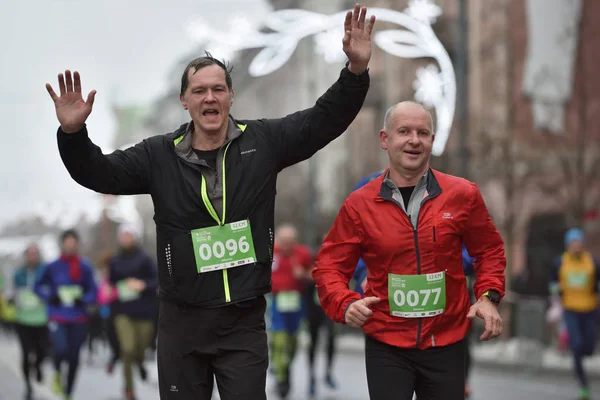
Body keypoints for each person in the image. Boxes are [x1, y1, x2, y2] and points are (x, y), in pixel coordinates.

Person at [45, 4, 375, 399]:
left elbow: (322, 121)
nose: (210, 98)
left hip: (243, 321)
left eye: (218, 89)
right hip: (181, 323)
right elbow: (97, 172)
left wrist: (354, 73)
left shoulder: (262, 142)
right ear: (185, 101)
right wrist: (73, 135)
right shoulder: (158, 155)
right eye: (199, 91)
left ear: (231, 96)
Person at [312, 101, 506, 400]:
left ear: (431, 140)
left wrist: (488, 296)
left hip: (446, 342)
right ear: (385, 140)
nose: (414, 140)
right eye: (404, 131)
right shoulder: (360, 203)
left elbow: (490, 250)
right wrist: (345, 302)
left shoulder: (462, 194)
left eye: (423, 132)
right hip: (386, 342)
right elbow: (329, 266)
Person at [34, 229, 98, 400]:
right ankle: (56, 372)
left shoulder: (84, 266)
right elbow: (37, 286)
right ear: (62, 244)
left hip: (78, 317)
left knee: (74, 357)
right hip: (58, 316)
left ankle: (68, 392)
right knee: (60, 348)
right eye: (67, 242)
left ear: (77, 244)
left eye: (73, 242)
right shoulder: (52, 266)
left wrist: (83, 299)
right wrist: (50, 297)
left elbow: (94, 290)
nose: (70, 245)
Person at [549, 228, 600, 400]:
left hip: (590, 309)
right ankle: (583, 384)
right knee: (576, 346)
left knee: (588, 348)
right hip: (570, 310)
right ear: (568, 245)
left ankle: (580, 361)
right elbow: (553, 283)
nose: (576, 246)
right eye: (573, 243)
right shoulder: (560, 262)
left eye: (578, 242)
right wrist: (556, 291)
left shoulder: (592, 261)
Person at [109, 223, 158, 400]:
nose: (126, 238)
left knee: (139, 349)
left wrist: (142, 285)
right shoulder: (115, 261)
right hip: (123, 313)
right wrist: (108, 290)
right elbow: (110, 284)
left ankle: (140, 361)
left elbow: (157, 281)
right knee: (127, 349)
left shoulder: (145, 259)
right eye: (123, 235)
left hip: (144, 312)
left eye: (129, 235)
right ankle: (129, 389)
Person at [269, 224, 313, 398]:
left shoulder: (302, 254)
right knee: (279, 340)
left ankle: (286, 368)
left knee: (292, 342)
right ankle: (281, 377)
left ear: (294, 241)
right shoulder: (272, 252)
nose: (286, 245)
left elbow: (314, 274)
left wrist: (303, 274)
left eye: (290, 241)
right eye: (283, 241)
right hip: (277, 302)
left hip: (296, 303)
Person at [12, 244, 49, 400]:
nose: (32, 256)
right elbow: (11, 292)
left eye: (35, 253)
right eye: (30, 253)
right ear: (26, 255)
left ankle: (38, 366)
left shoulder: (45, 271)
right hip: (23, 320)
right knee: (26, 353)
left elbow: (50, 290)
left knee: (42, 351)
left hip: (41, 320)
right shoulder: (19, 274)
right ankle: (28, 386)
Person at [305, 234, 338, 398]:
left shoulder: (336, 258)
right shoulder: (311, 258)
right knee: (313, 342)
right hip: (313, 308)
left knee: (331, 339)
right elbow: (303, 276)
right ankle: (311, 377)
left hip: (330, 307)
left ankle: (328, 373)